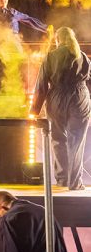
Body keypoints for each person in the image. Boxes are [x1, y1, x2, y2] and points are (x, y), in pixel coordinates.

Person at [30, 26, 90, 191]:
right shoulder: (83, 56)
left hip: (56, 98)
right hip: (79, 98)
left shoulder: (50, 56)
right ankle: (75, 182)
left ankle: (63, 179)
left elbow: (41, 86)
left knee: (57, 139)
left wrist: (34, 110)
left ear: (57, 40)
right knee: (76, 141)